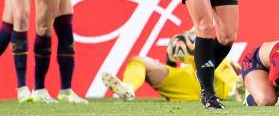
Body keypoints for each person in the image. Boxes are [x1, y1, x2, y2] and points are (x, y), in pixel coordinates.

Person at [102, 31, 241, 102]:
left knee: (206, 57)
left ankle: (235, 92)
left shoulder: (224, 59)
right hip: (190, 80)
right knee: (138, 61)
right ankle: (128, 87)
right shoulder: (188, 41)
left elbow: (242, 72)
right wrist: (173, 54)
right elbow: (172, 61)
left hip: (218, 82)